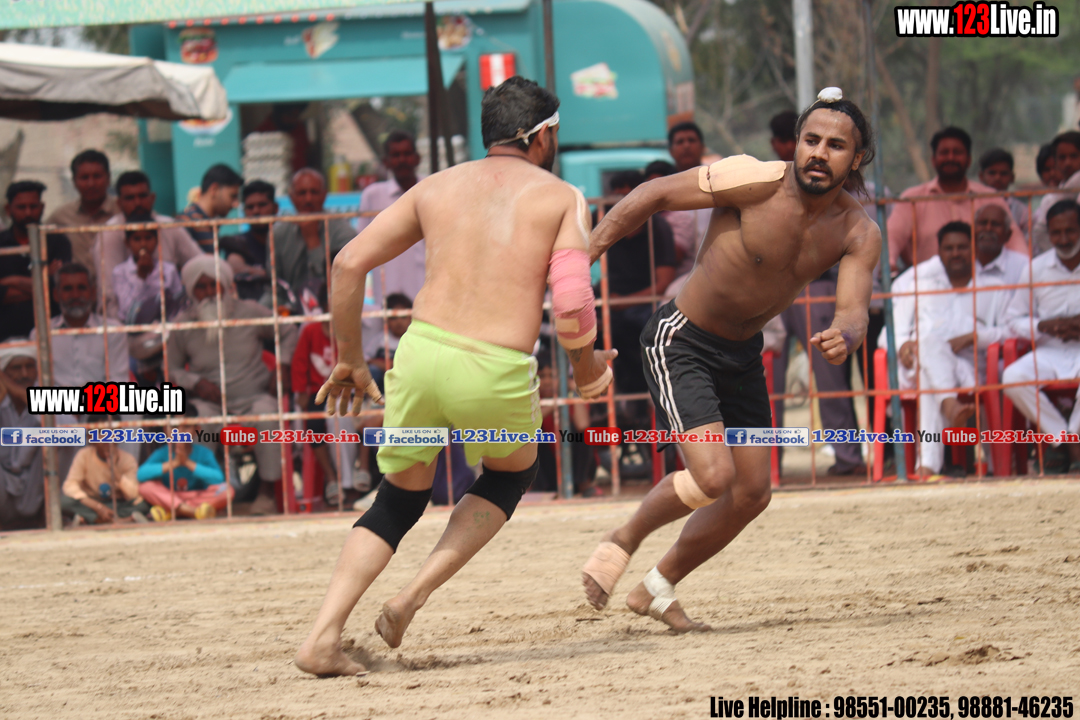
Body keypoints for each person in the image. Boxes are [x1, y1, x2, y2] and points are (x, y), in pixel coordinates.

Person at [294, 76, 615, 676]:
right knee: (509, 475)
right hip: (494, 367)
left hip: (419, 356)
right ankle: (411, 596)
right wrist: (589, 372)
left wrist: (350, 358)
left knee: (398, 498)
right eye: (555, 133)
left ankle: (321, 637)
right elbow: (572, 304)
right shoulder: (562, 197)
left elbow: (348, 262)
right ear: (540, 135)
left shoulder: (435, 186)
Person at [580, 87, 880, 632]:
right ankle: (623, 538)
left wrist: (846, 334)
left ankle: (656, 589)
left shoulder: (859, 230)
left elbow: (854, 311)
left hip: (742, 356)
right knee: (714, 475)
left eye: (835, 146)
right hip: (681, 340)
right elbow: (653, 193)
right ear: (796, 142)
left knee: (752, 494)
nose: (819, 153)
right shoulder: (752, 179)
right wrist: (586, 256)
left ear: (856, 158)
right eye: (811, 140)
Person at [166, 255, 297, 515]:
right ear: (191, 291)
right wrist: (196, 382)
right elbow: (171, 368)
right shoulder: (183, 325)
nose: (208, 293)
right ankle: (205, 494)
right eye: (200, 287)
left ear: (226, 285)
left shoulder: (249, 312)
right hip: (211, 403)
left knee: (268, 415)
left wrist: (281, 365)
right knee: (198, 422)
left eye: (213, 285)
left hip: (254, 396)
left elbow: (287, 331)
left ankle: (266, 493)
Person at [1003, 199, 1080, 475]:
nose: (1064, 239)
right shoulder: (1036, 269)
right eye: (1056, 233)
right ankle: (1065, 440)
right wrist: (1046, 326)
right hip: (1050, 350)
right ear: (1048, 233)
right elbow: (1013, 319)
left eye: (1070, 231)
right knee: (1012, 377)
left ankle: (1072, 439)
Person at [887, 126, 1024, 271]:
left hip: (982, 281)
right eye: (944, 153)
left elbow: (1015, 243)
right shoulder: (912, 199)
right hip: (928, 282)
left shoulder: (990, 198)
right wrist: (889, 264)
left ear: (969, 160)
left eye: (957, 152)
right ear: (933, 160)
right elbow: (892, 237)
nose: (951, 158)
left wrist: (1025, 271)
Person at [601, 170, 675, 423]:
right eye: (618, 191)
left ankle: (646, 404)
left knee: (649, 338)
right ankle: (599, 404)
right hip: (611, 301)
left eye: (629, 190)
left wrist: (624, 302)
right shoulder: (601, 220)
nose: (623, 197)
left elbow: (663, 282)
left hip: (644, 304)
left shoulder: (658, 228)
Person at [357, 131, 427, 359]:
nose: (402, 160)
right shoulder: (373, 196)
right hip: (387, 307)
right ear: (386, 161)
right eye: (395, 155)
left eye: (407, 154)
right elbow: (361, 249)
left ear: (417, 158)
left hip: (428, 300)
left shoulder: (433, 189)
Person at [93, 171, 202, 315]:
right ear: (119, 203)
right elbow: (109, 296)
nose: (137, 203)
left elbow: (201, 263)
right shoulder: (109, 234)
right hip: (123, 321)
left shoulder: (169, 226)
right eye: (130, 198)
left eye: (142, 196)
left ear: (152, 198)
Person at [30, 263, 129, 387]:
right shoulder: (41, 334)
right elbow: (37, 383)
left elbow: (118, 382)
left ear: (93, 293)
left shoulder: (113, 331)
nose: (75, 295)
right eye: (68, 289)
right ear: (56, 294)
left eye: (81, 288)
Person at [1, 181, 72, 342]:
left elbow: (59, 287)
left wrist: (12, 281)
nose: (28, 212)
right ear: (8, 209)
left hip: (51, 333)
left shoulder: (57, 241)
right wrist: (43, 280)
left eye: (33, 206)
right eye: (21, 207)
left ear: (42, 207)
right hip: (5, 335)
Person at [272, 169, 355, 296]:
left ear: (324, 195)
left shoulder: (342, 231)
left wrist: (312, 240)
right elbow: (275, 283)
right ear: (291, 197)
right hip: (289, 305)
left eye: (314, 192)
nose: (308, 199)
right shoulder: (279, 233)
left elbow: (341, 280)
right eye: (302, 193)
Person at [46, 150, 118, 275]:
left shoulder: (121, 211)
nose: (91, 184)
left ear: (108, 178)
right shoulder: (60, 217)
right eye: (84, 178)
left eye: (97, 176)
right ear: (74, 181)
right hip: (77, 286)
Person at [663, 123, 711, 295]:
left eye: (691, 140)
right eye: (680, 142)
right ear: (671, 151)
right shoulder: (663, 189)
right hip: (676, 280)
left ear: (702, 147)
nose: (686, 146)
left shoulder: (719, 182)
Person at [137, 431, 231, 519]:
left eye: (186, 427)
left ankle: (173, 511)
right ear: (166, 430)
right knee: (145, 487)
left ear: (196, 430)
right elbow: (141, 475)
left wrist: (187, 462)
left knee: (227, 490)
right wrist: (174, 463)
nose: (180, 432)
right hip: (170, 496)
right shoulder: (162, 452)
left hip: (196, 496)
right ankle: (192, 511)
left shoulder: (204, 453)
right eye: (175, 427)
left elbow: (218, 478)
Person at [0, 343, 44, 530]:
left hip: (35, 484)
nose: (24, 374)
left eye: (30, 366)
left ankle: (51, 516)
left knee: (64, 438)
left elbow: (70, 429)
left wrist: (21, 393)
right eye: (16, 368)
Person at [111, 210, 185, 322]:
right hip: (134, 330)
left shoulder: (169, 270)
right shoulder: (120, 272)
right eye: (137, 239)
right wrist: (141, 278)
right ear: (127, 243)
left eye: (148, 238)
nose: (143, 244)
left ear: (157, 240)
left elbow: (178, 304)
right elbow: (126, 310)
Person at [61, 442, 149, 525]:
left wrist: (115, 471)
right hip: (92, 504)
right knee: (63, 502)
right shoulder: (84, 455)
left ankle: (92, 519)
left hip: (118, 505)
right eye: (101, 433)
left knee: (143, 505)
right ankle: (121, 520)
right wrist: (98, 507)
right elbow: (69, 486)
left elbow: (133, 494)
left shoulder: (127, 459)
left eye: (112, 433)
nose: (107, 437)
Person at [1032, 132, 1080, 256]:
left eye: (1074, 156)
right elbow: (1040, 233)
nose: (1068, 163)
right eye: (1062, 158)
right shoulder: (1049, 199)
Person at [177, 164, 244, 253]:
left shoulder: (209, 222)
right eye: (232, 196)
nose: (236, 204)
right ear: (214, 190)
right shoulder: (186, 221)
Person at [224, 180, 278, 278]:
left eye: (262, 205)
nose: (256, 211)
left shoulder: (288, 241)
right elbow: (235, 266)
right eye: (250, 207)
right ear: (244, 212)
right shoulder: (238, 243)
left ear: (275, 208)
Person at [978, 148, 1028, 230]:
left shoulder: (1022, 211)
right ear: (981, 176)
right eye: (992, 173)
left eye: (1003, 173)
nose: (997, 178)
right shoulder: (972, 204)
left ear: (1012, 178)